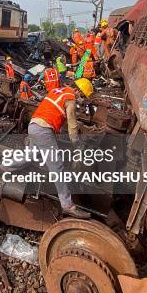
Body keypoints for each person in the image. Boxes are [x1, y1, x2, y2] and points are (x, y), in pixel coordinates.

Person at [28, 78, 94, 219]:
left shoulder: (57, 91)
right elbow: (72, 124)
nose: (81, 100)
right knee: (57, 167)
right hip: (43, 130)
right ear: (78, 91)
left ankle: (5, 167)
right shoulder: (70, 98)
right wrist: (76, 144)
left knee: (31, 156)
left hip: (33, 125)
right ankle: (68, 205)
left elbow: (54, 111)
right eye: (82, 96)